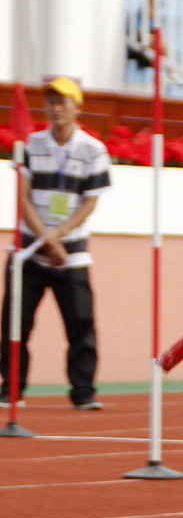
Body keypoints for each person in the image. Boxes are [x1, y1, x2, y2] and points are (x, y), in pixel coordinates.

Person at [1, 77, 110, 409]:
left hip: (72, 253)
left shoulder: (94, 150)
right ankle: (11, 389)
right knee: (14, 323)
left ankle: (83, 392)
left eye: (64, 101)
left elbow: (90, 203)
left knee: (81, 323)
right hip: (29, 252)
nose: (57, 107)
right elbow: (23, 198)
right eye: (51, 101)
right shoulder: (31, 144)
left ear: (77, 106)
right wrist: (45, 238)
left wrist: (58, 236)